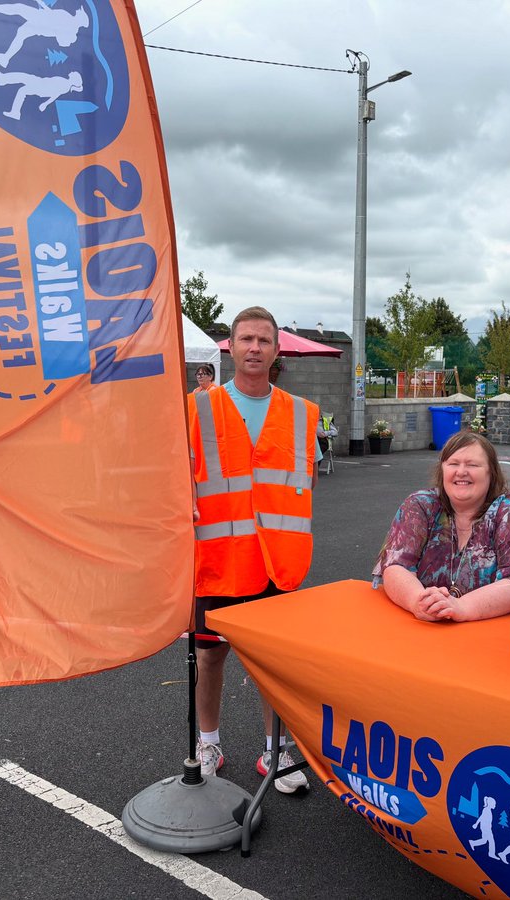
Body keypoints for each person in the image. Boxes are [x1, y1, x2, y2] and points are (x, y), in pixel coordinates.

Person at [186, 307, 322, 794]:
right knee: (209, 659)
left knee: (270, 664)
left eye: (264, 340)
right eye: (246, 339)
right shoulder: (197, 408)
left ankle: (274, 749)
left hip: (276, 564)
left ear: (277, 350)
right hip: (219, 561)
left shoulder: (303, 414)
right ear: (231, 345)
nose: (255, 348)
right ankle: (208, 743)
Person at [373, 431, 510, 622]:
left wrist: (461, 607)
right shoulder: (420, 505)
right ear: (443, 470)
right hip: (425, 628)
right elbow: (395, 565)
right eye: (453, 464)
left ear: (491, 472)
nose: (461, 471)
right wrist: (418, 602)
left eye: (472, 465)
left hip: (489, 630)